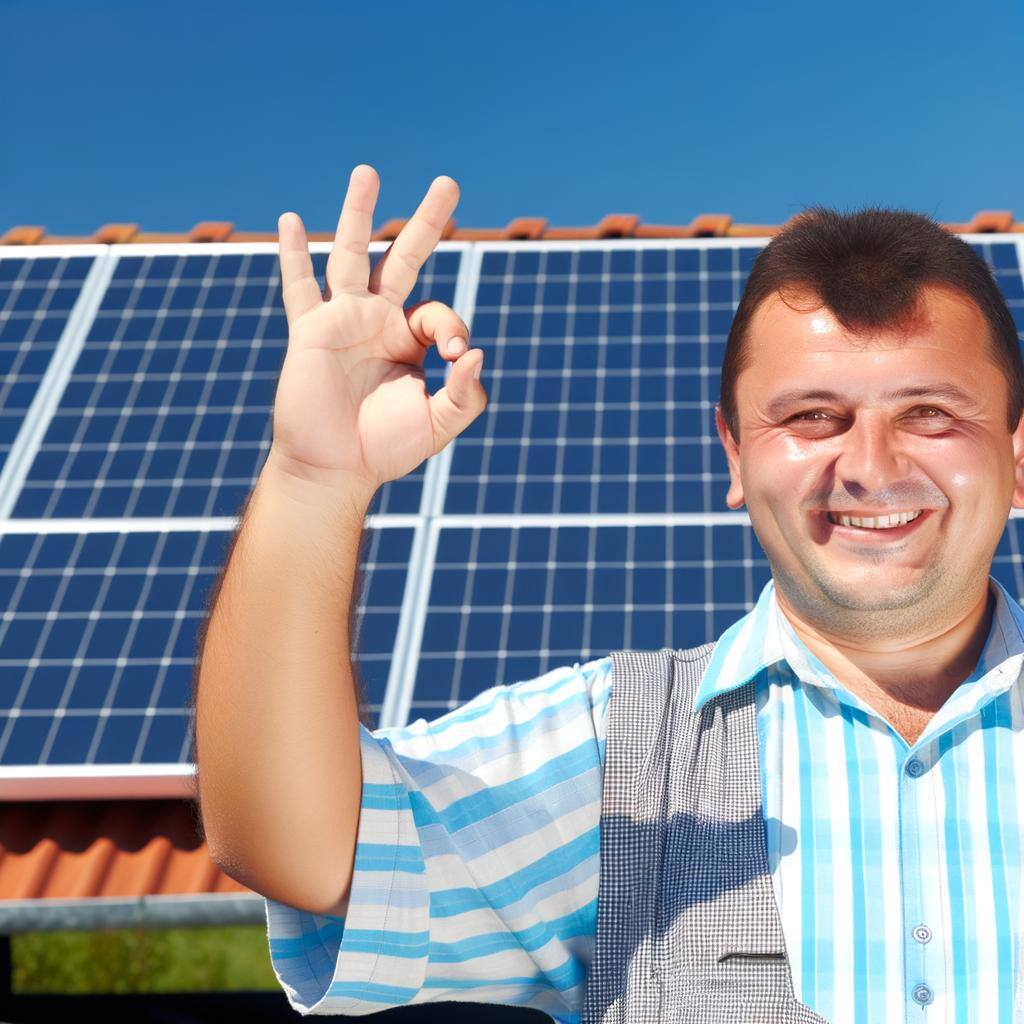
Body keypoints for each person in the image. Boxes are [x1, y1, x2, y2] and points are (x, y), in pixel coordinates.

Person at [192, 164, 1024, 1023]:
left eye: (931, 413)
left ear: (1017, 452)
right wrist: (313, 481)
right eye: (812, 417)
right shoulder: (613, 750)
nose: (872, 468)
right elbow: (297, 849)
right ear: (735, 456)